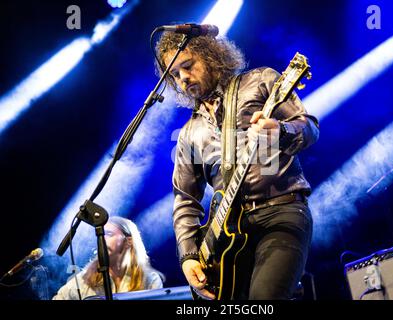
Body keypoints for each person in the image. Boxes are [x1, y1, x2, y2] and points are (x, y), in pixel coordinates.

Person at [156, 30, 319, 300]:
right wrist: (189, 255)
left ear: (210, 56)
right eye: (174, 74)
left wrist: (280, 131)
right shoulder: (188, 132)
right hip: (227, 239)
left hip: (280, 212)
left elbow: (310, 129)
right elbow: (185, 200)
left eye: (187, 66)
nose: (183, 78)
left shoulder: (260, 82)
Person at [52, 216, 164, 300]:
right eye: (100, 235)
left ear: (128, 241)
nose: (102, 239)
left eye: (109, 234)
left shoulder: (150, 280)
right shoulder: (83, 279)